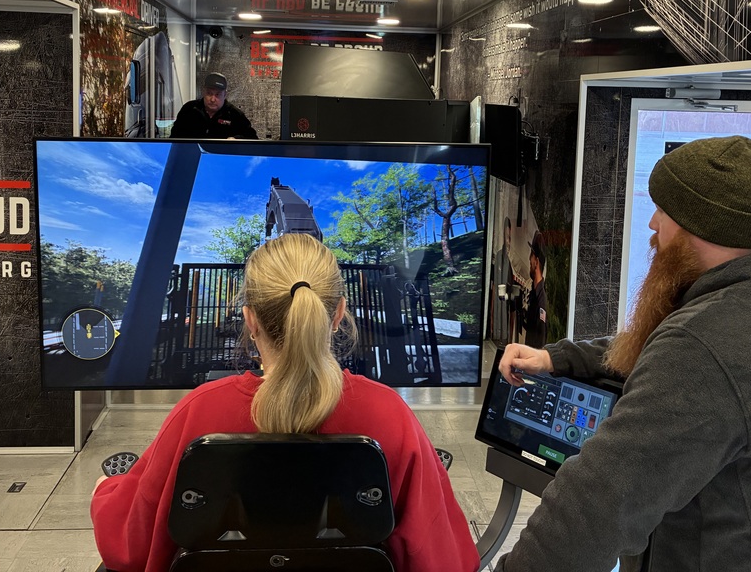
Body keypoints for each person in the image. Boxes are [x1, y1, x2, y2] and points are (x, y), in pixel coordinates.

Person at [495, 135, 751, 572]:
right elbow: (662, 350)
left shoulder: (708, 346)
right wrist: (557, 358)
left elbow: (595, 507)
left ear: (699, 225)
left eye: (664, 211)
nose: (653, 225)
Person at [91, 232, 480, 572]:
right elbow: (446, 560)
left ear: (250, 320)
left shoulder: (200, 411)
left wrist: (104, 492)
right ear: (338, 314)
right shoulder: (389, 414)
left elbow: (130, 549)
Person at [170, 71, 257, 139]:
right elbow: (174, 138)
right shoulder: (189, 109)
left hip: (220, 160)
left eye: (217, 94)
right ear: (203, 92)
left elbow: (253, 139)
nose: (212, 99)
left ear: (225, 95)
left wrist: (236, 139)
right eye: (209, 93)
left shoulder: (235, 115)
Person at [520, 230, 547, 347]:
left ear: (536, 261)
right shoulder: (535, 293)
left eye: (531, 255)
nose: (528, 260)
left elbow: (540, 342)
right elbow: (531, 327)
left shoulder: (541, 302)